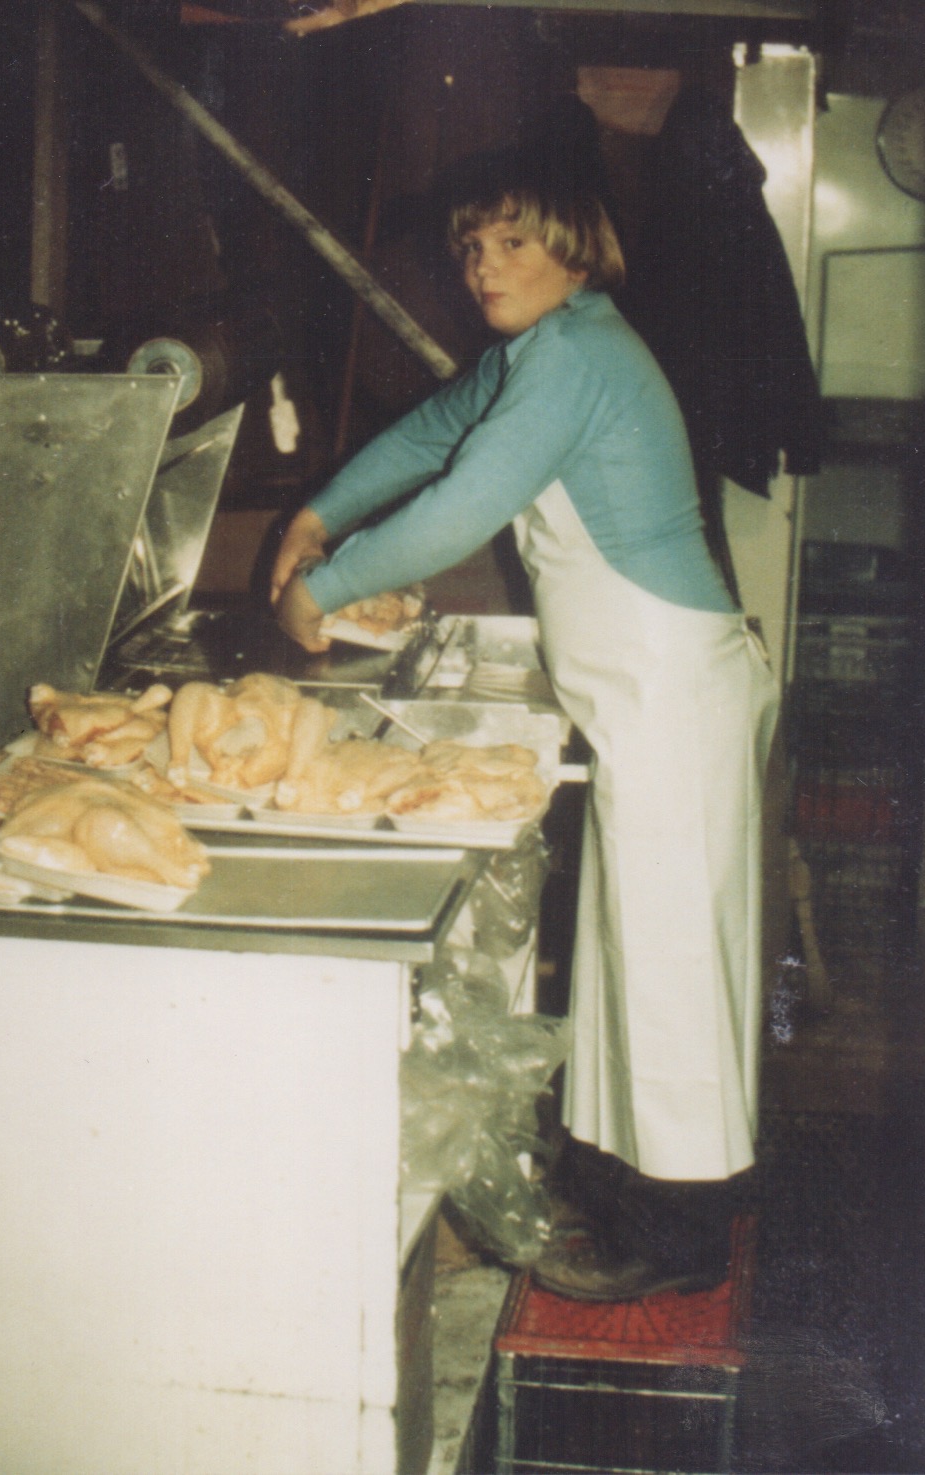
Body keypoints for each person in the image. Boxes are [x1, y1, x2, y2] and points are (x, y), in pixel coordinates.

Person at [270, 151, 780, 1302]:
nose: (485, 266)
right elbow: (429, 437)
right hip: (641, 690)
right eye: (472, 247)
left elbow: (460, 505)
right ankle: (622, 1182)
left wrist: (325, 588)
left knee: (666, 967)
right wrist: (316, 511)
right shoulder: (542, 351)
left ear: (574, 248)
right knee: (633, 951)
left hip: (671, 688)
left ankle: (684, 1239)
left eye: (513, 242)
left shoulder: (581, 357)